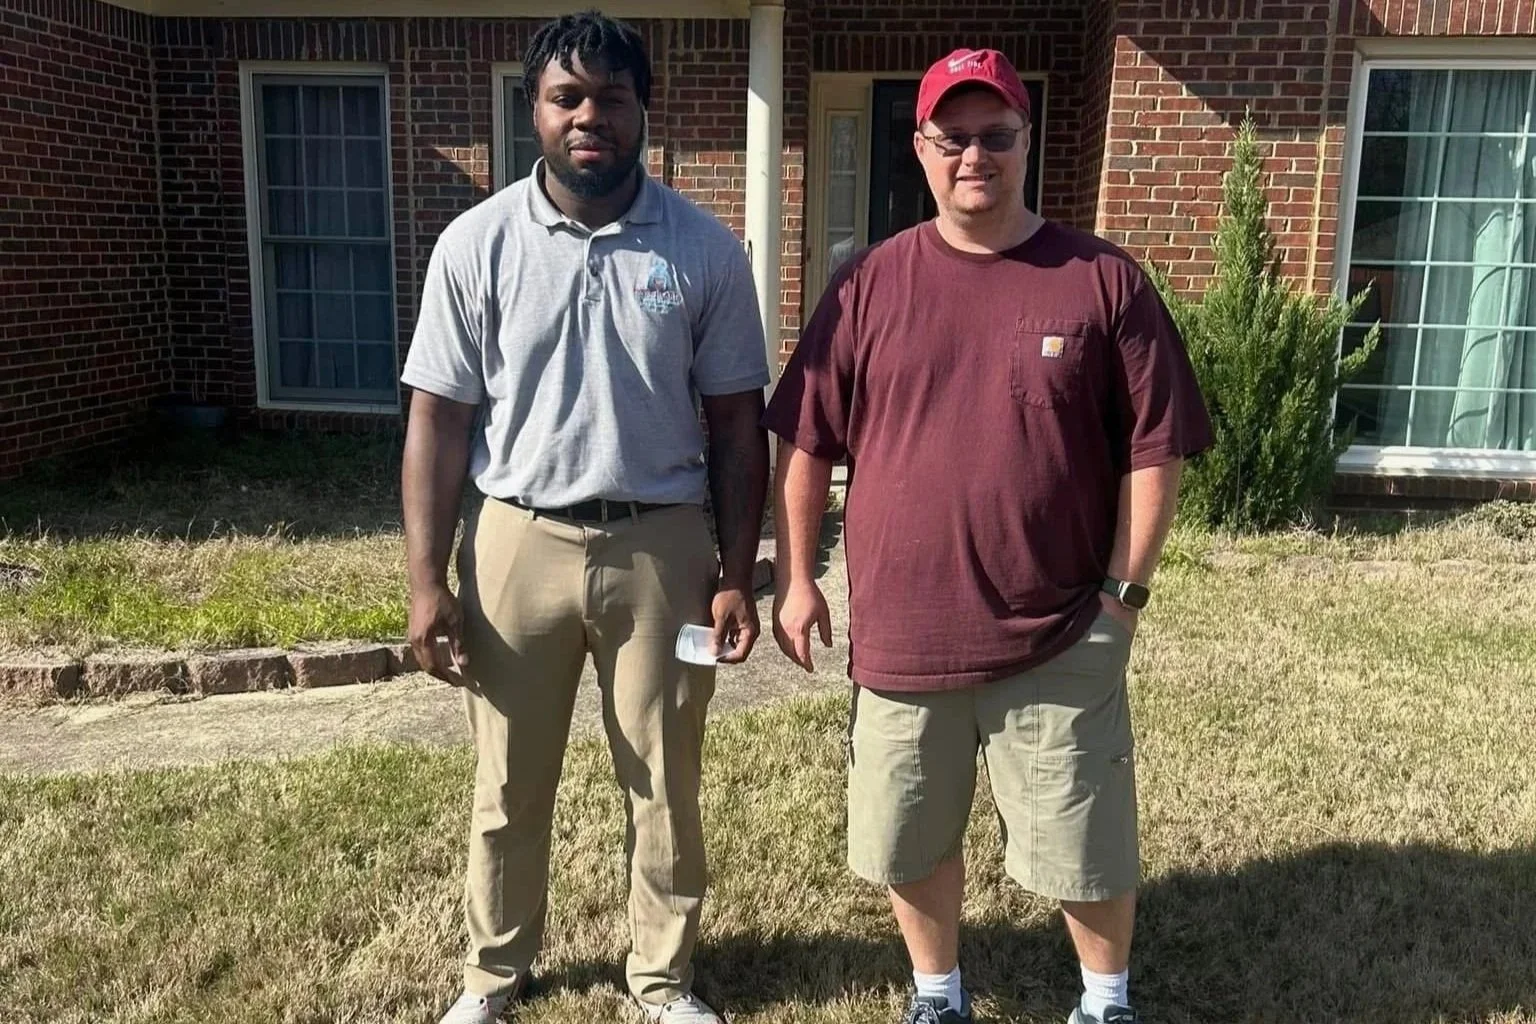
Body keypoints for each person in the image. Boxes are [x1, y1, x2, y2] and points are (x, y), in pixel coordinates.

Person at [764, 47, 1213, 1024]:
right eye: (953, 137)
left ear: (1025, 141)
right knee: (910, 833)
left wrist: (1122, 597)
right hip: (904, 632)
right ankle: (939, 996)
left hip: (1057, 628)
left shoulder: (1101, 282)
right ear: (922, 149)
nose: (975, 154)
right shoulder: (867, 286)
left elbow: (1156, 450)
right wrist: (797, 579)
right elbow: (805, 442)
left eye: (995, 134)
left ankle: (1104, 1001)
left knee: (1083, 834)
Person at [399, 12, 770, 1024]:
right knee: (508, 781)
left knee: (663, 778)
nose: (589, 117)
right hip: (517, 538)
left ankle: (662, 978)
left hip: (662, 544)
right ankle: (494, 972)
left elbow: (740, 427)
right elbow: (437, 421)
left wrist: (738, 570)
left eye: (609, 97)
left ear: (643, 109)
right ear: (535, 112)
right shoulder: (476, 245)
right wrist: (429, 581)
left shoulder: (703, 250)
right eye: (568, 97)